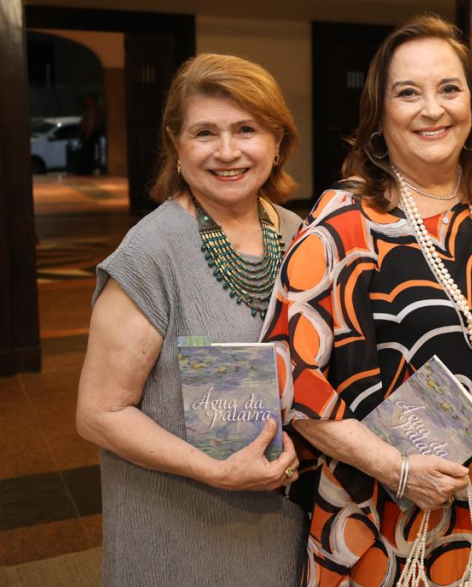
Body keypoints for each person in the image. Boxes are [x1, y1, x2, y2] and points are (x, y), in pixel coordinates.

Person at [261, 15, 472, 586]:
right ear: (380, 117)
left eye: (449, 89)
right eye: (408, 93)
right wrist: (398, 469)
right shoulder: (342, 224)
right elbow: (288, 377)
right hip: (388, 512)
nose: (432, 109)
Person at [76, 54, 308, 587]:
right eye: (205, 132)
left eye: (246, 129)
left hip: (282, 521)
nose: (227, 152)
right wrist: (217, 471)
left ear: (277, 141)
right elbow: (98, 413)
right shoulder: (152, 251)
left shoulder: (302, 233)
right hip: (180, 526)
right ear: (176, 145)